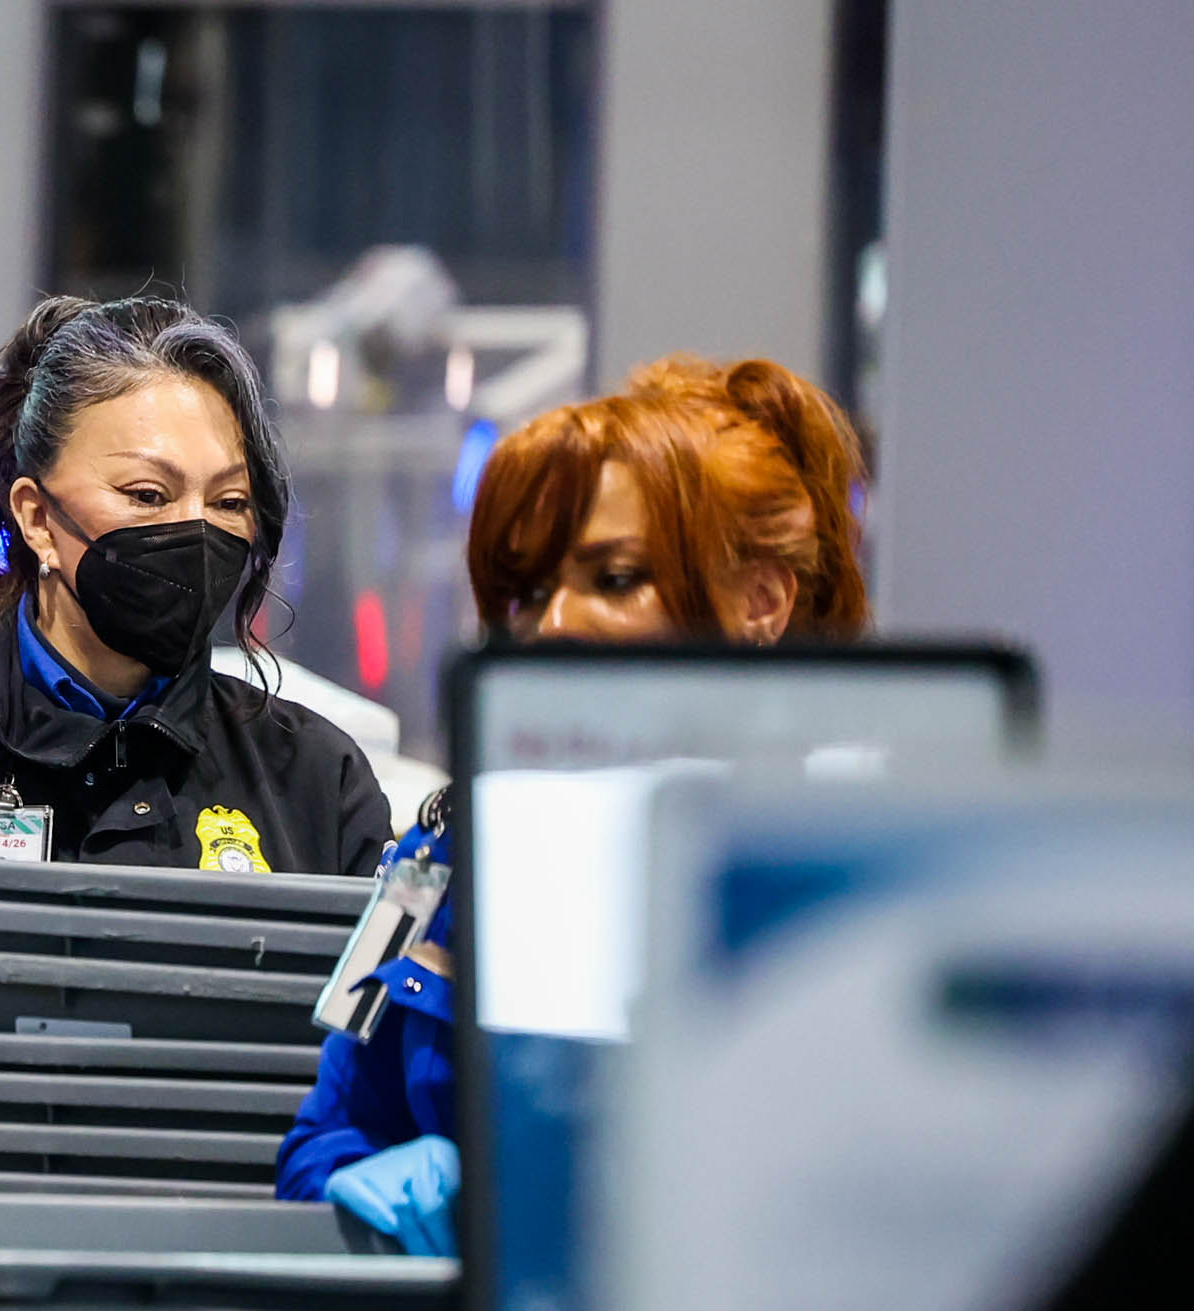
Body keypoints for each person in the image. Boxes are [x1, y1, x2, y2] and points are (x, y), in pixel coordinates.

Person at [276, 355, 871, 1253]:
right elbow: (320, 1145)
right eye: (525, 592)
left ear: (762, 600)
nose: (551, 627)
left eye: (614, 580)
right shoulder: (449, 858)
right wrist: (367, 1186)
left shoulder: (848, 867)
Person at [0, 295, 392, 876]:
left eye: (228, 501)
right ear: (36, 517)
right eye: (148, 494)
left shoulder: (314, 780)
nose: (194, 530)